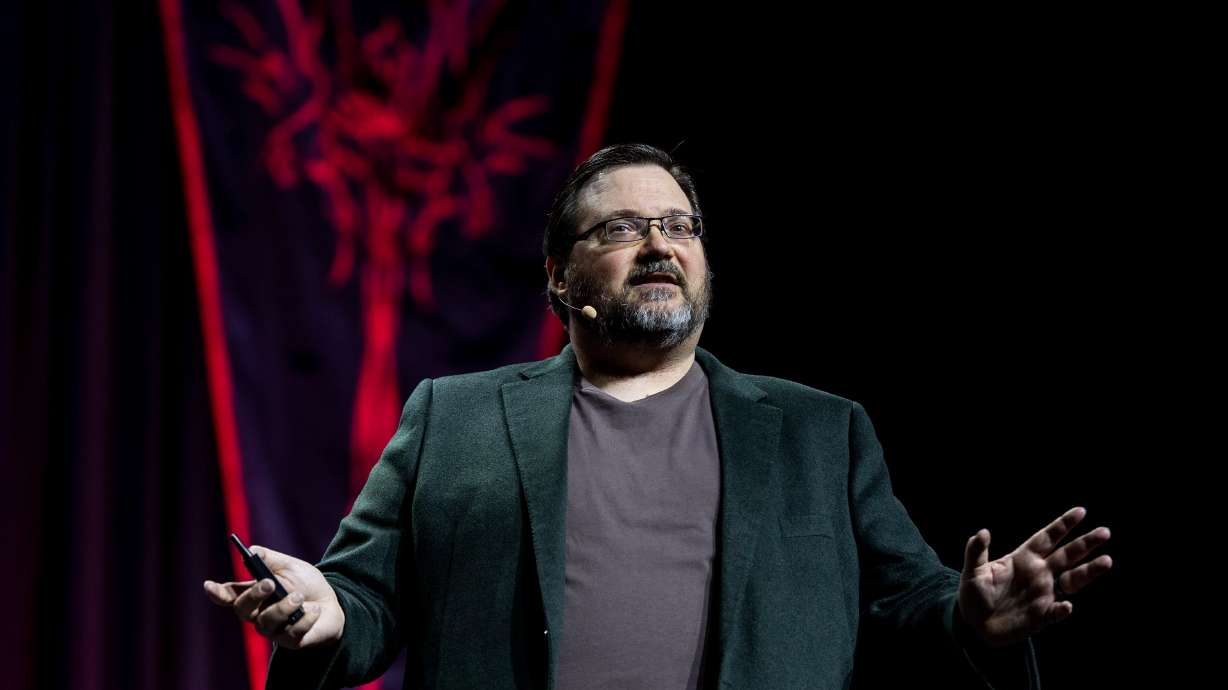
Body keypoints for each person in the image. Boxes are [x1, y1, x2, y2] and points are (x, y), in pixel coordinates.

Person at [204, 143, 1113, 689]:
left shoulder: (819, 432)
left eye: (679, 227)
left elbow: (910, 603)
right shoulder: (455, 418)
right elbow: (366, 600)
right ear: (559, 277)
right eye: (619, 228)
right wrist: (326, 612)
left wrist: (970, 616)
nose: (657, 245)